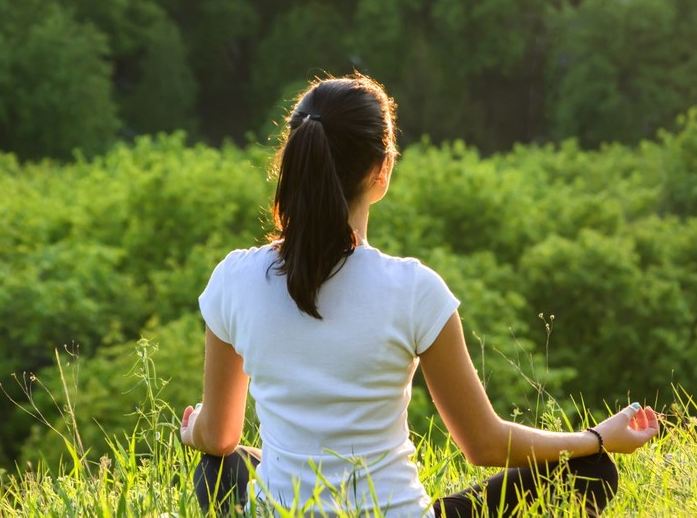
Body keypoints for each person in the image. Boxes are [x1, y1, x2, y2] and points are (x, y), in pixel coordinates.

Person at [180, 74, 659, 517]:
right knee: (589, 469)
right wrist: (598, 438)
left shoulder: (235, 278)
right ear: (380, 170)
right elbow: (484, 444)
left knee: (218, 463)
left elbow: (219, 437)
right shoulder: (413, 289)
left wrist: (194, 427)